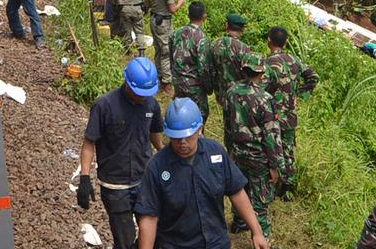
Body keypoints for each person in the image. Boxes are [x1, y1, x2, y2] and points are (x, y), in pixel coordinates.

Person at [134, 99, 271, 249]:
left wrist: (257, 232)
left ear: (199, 130)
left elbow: (237, 192)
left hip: (216, 243)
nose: (182, 142)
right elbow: (149, 217)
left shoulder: (216, 153)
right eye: (176, 138)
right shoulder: (157, 166)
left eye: (188, 137)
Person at [77, 57, 163, 249]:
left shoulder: (151, 105)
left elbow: (155, 135)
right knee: (125, 241)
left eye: (146, 94)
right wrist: (85, 177)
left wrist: (167, 157)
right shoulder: (104, 106)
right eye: (139, 93)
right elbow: (89, 142)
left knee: (154, 234)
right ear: (127, 83)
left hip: (144, 181)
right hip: (115, 186)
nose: (142, 98)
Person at [223, 53, 284, 239]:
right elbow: (272, 136)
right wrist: (275, 166)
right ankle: (262, 240)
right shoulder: (265, 99)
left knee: (239, 189)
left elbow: (227, 124)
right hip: (259, 158)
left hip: (236, 152)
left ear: (243, 70)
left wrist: (229, 149)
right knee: (260, 202)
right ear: (262, 72)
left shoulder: (231, 92)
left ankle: (239, 222)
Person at [264, 25, 319, 196]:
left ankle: (270, 183)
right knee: (288, 150)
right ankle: (288, 187)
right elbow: (314, 77)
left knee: (270, 147)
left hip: (272, 114)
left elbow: (260, 88)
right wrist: (299, 93)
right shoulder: (295, 60)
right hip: (290, 114)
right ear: (286, 42)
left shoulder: (268, 63)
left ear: (268, 41)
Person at [145, 0, 185, 87]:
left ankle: (158, 75)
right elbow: (172, 9)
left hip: (153, 20)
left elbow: (147, 5)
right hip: (164, 23)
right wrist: (180, 3)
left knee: (158, 49)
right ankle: (166, 81)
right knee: (166, 52)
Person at [170, 1, 212, 119]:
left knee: (180, 112)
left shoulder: (176, 33)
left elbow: (171, 56)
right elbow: (203, 68)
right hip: (194, 86)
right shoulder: (202, 39)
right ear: (204, 16)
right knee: (200, 115)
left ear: (188, 15)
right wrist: (208, 88)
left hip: (178, 81)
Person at [209, 13, 254, 108]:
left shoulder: (214, 44)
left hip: (222, 95)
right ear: (242, 29)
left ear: (227, 26)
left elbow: (210, 68)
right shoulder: (244, 49)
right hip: (240, 96)